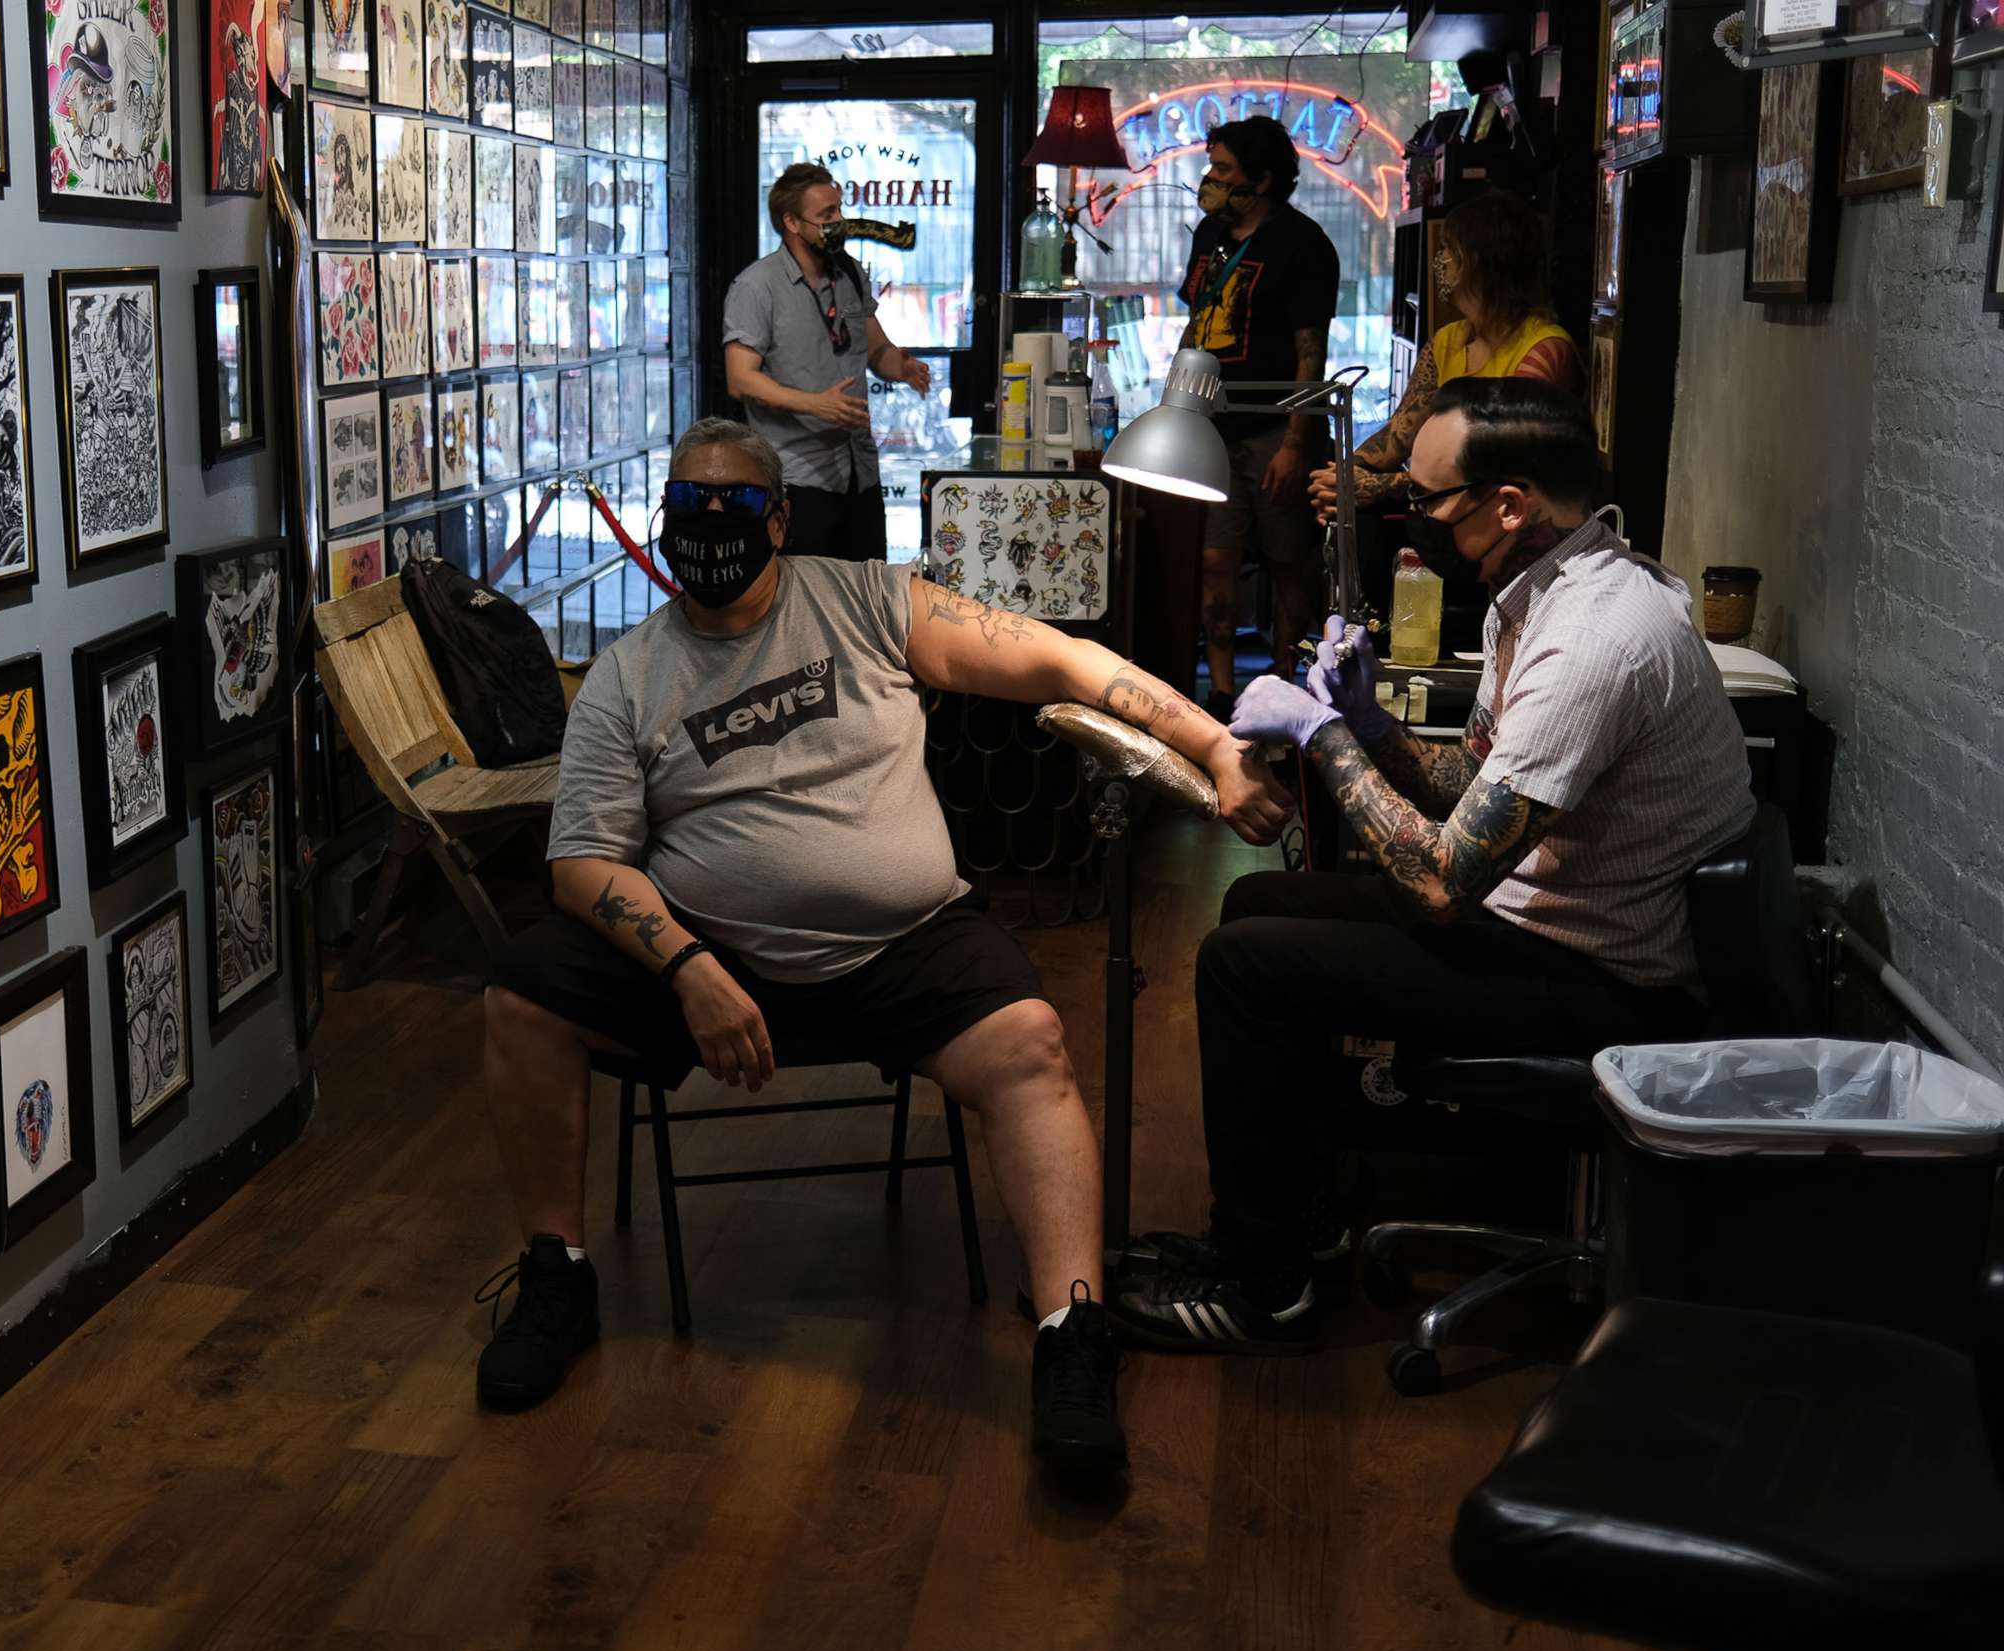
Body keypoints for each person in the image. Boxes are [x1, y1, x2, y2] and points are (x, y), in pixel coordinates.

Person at [472, 417, 1293, 1468]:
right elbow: (582, 866)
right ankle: (556, 1275)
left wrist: (1217, 746)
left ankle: (1071, 1333)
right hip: (713, 958)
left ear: (777, 518)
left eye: (732, 507)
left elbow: (1061, 660)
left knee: (1032, 1043)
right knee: (523, 991)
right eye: (687, 507)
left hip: (903, 946)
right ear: (660, 519)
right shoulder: (630, 676)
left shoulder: (867, 599)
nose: (707, 528)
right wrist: (689, 969)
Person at [1112, 378, 1753, 1354]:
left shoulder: (1595, 641)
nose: (1409, 515)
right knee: (1255, 900)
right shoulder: (1543, 594)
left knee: (1244, 967)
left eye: (1431, 500)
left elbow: (1442, 880)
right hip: (1548, 919)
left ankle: (1259, 1284)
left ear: (1510, 504)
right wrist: (1368, 719)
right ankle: (1305, 1221)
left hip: (1611, 980)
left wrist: (1323, 734)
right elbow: (1475, 784)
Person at [1177, 114, 1341, 721]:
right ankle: (1219, 694)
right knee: (1215, 561)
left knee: (1288, 561)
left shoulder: (1303, 245)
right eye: (1211, 168)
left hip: (1276, 428)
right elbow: (1195, 324)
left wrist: (1297, 442)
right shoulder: (1207, 236)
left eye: (1224, 170)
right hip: (1213, 425)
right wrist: (1179, 411)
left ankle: (1288, 687)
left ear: (1263, 180)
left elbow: (1310, 352)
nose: (1210, 180)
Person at [1310, 190, 1580, 524]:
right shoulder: (1448, 340)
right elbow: (1399, 434)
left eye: (1447, 249)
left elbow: (1498, 465)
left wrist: (1382, 486)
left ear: (1478, 261)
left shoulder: (1545, 348)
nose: (1440, 261)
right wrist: (1343, 476)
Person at [722, 164, 936, 562]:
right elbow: (740, 379)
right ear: (791, 222)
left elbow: (876, 349)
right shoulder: (756, 287)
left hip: (859, 472)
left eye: (838, 210)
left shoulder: (850, 273)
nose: (838, 222)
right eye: (826, 216)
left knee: (866, 598)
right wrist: (814, 403)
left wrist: (902, 368)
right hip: (796, 480)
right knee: (806, 608)